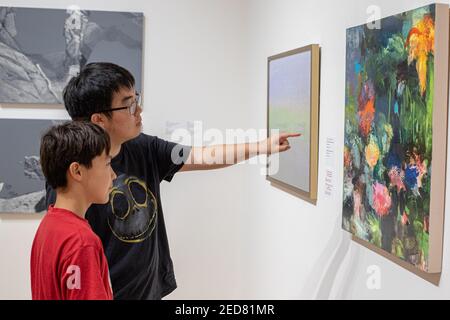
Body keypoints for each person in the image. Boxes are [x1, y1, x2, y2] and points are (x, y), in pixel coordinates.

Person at [46, 62, 299, 300]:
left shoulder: (142, 147)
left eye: (137, 100)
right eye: (129, 105)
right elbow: (71, 245)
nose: (139, 110)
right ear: (99, 120)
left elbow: (201, 155)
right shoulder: (75, 174)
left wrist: (260, 146)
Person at [31, 121, 116, 300]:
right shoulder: (82, 242)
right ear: (77, 171)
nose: (114, 175)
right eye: (107, 163)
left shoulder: (49, 225)